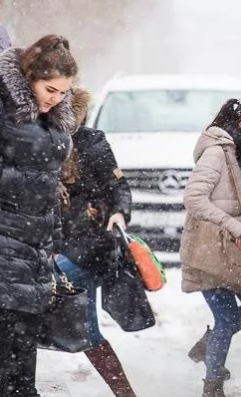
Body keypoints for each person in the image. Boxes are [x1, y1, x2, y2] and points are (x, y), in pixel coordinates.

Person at [0, 35, 78, 397]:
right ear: (29, 77)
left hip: (33, 253)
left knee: (21, 371)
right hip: (5, 249)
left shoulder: (50, 121)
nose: (56, 98)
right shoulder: (5, 109)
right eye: (50, 89)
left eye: (63, 93)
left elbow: (48, 190)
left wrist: (52, 239)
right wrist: (25, 184)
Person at [181, 98, 241, 397]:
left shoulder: (239, 153)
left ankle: (210, 349)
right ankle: (213, 384)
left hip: (230, 250)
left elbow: (239, 194)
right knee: (226, 316)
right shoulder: (216, 153)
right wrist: (233, 226)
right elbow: (194, 199)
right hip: (210, 247)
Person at [55, 88, 138, 397]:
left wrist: (118, 213)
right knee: (85, 330)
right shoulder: (40, 140)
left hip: (88, 244)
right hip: (50, 242)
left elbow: (118, 186)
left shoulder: (93, 142)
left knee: (49, 300)